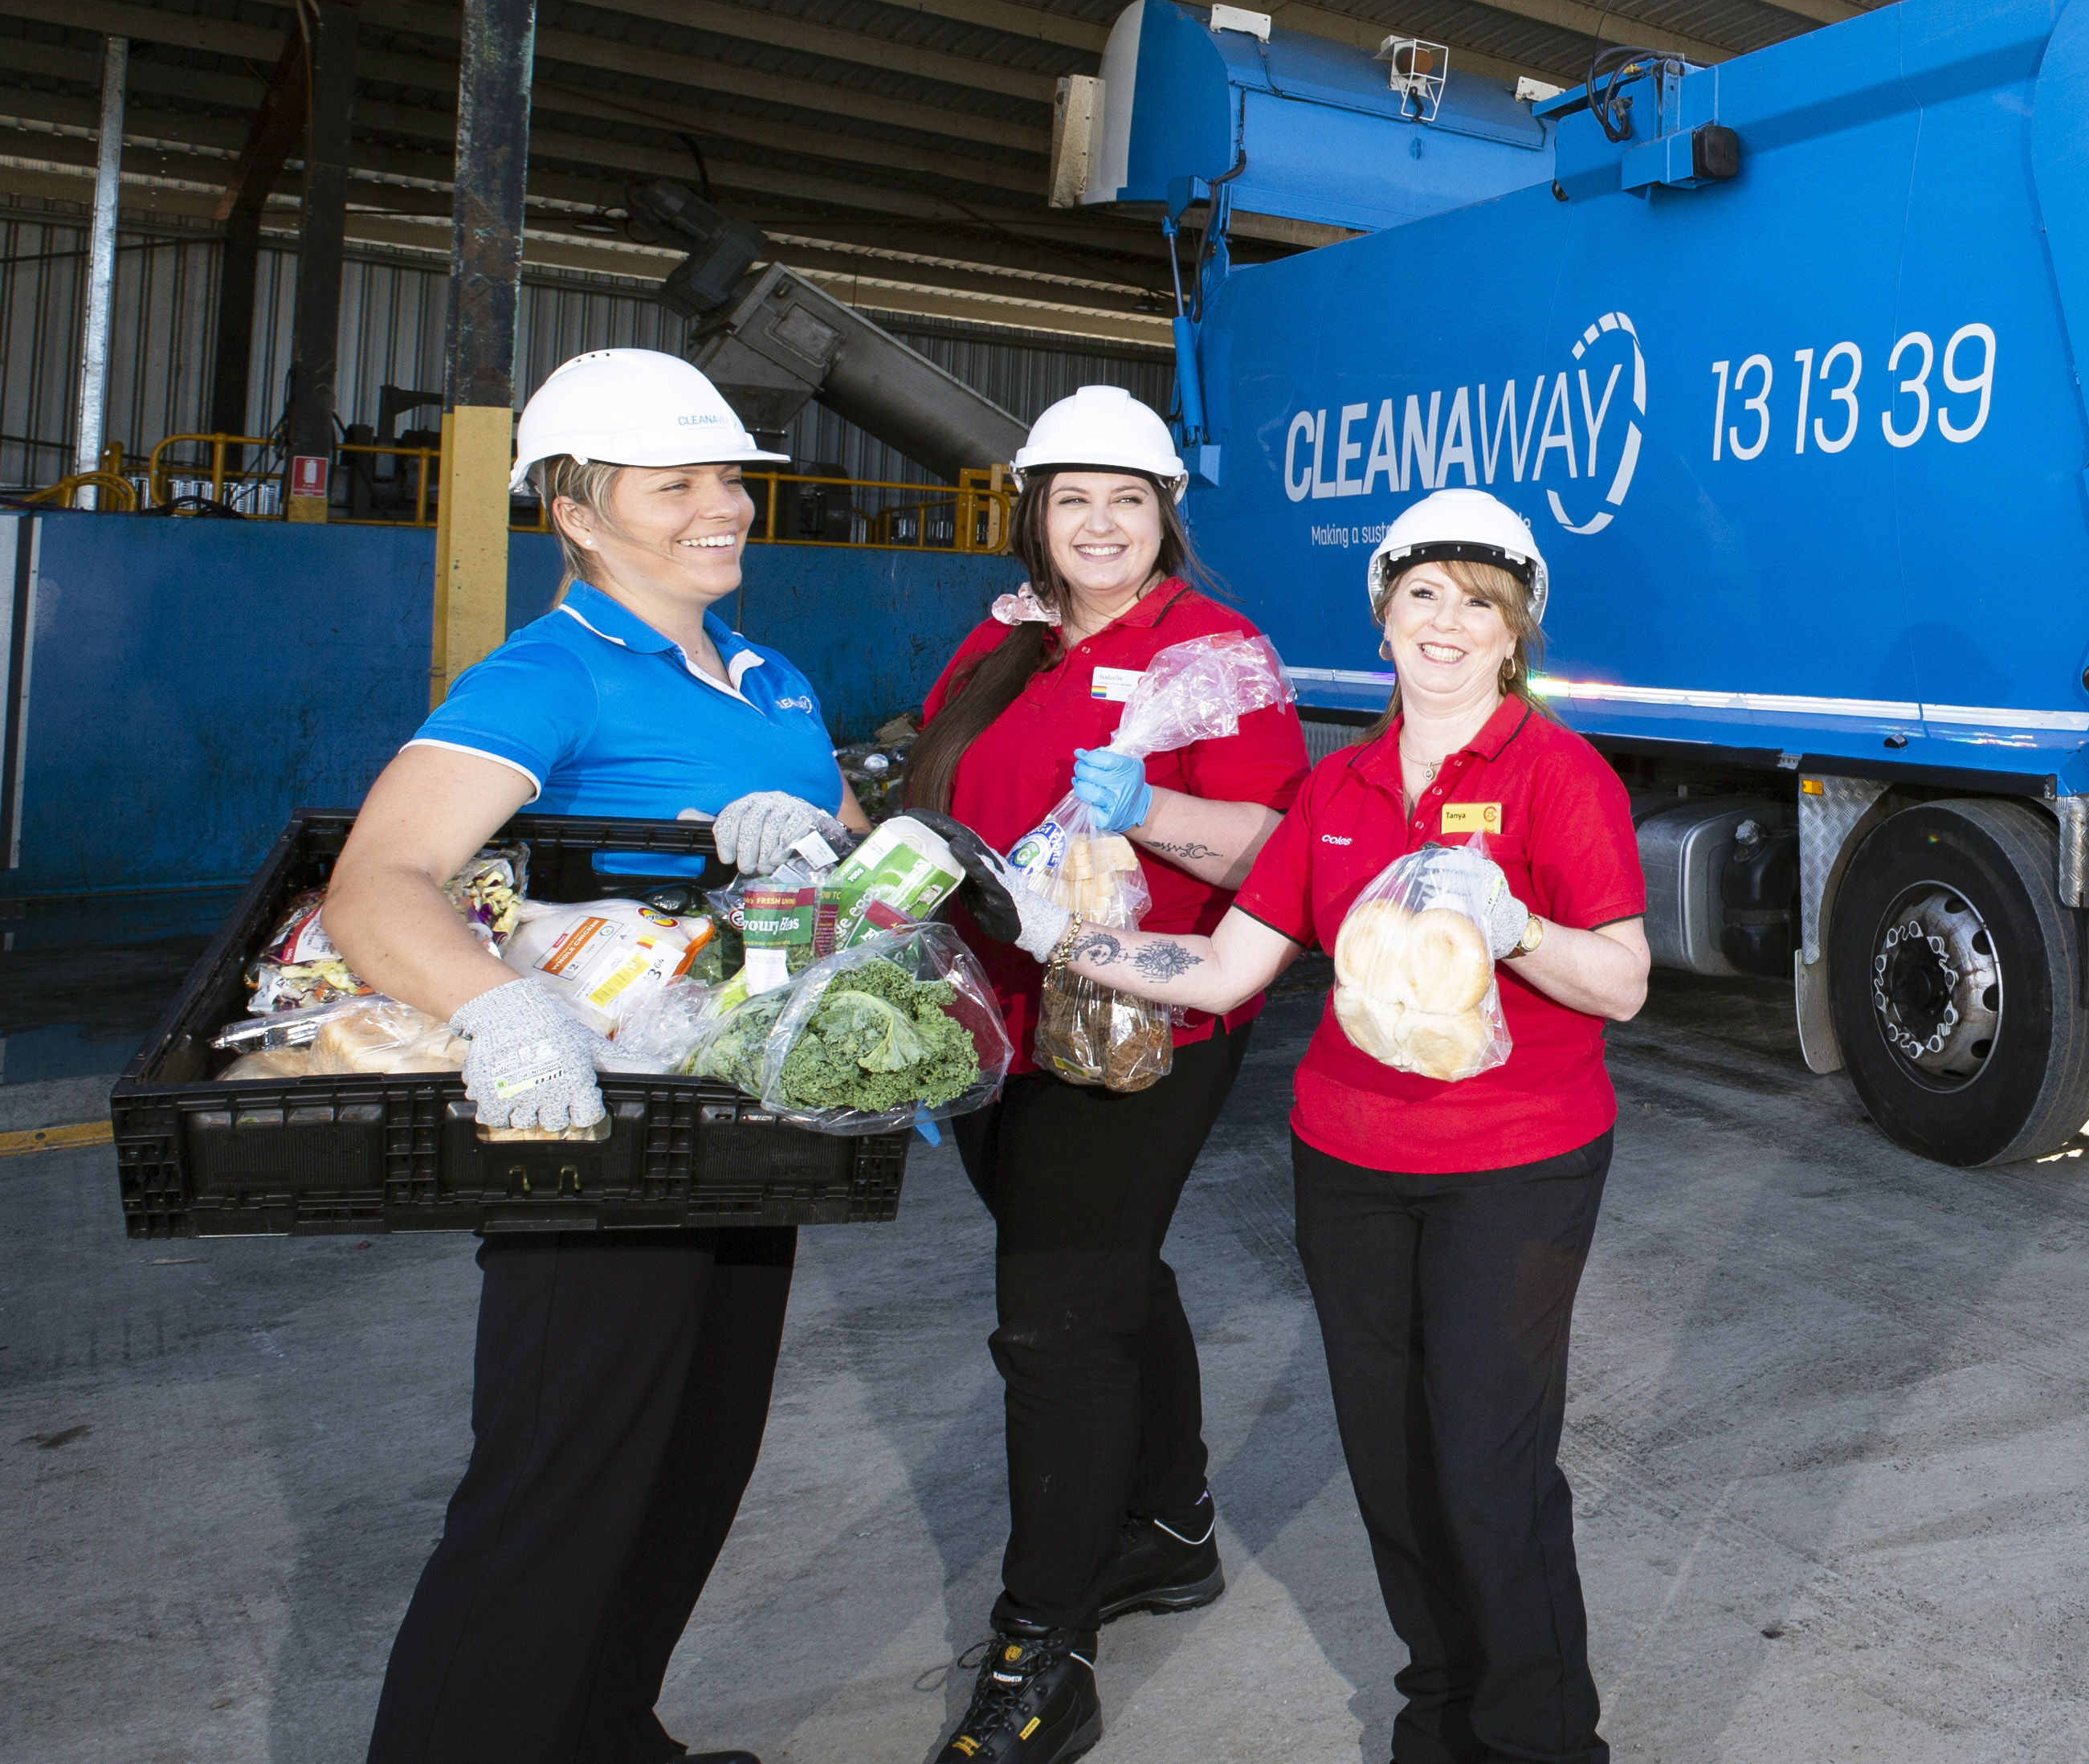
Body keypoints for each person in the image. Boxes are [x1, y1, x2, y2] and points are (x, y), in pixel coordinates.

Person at [976, 487, 1649, 1764]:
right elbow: (1225, 968)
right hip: (1347, 1164)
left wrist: (1515, 923)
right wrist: (1059, 932)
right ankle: (1437, 1724)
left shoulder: (1560, 775)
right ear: (1382, 616)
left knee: (1486, 1470)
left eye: (1480, 602)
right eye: (1422, 594)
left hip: (1513, 1164)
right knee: (1393, 1470)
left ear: (1515, 632)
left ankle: (1541, 1741)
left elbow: (1621, 981)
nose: (1446, 622)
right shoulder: (1335, 788)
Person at [322, 349, 863, 1764]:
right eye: (673, 484)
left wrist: (822, 855)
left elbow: (856, 877)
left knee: (694, 1463)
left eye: (728, 478)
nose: (722, 506)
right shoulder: (552, 670)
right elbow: (378, 880)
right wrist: (501, 1011)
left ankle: (602, 1732)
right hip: (598, 1136)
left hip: (746, 1117)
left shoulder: (775, 677)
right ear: (575, 511)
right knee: (558, 1489)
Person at [904, 386, 1310, 1764]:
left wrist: (1151, 809)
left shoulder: (1215, 653)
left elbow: (1269, 851)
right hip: (992, 1020)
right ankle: (1171, 1526)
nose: (1098, 523)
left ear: (1165, 516)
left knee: (1055, 1324)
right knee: (1103, 1270)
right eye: (1071, 498)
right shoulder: (1003, 638)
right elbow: (944, 799)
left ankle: (1045, 1645)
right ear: (1034, 511)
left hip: (1134, 1023)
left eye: (1126, 499)